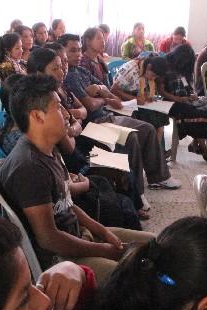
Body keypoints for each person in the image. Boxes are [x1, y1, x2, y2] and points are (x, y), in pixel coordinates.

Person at [0, 74, 153, 282]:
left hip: (79, 235)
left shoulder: (48, 149)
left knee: (152, 244)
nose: (66, 114)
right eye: (58, 107)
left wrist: (103, 232)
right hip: (61, 261)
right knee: (137, 273)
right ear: (37, 116)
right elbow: (48, 238)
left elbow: (66, 202)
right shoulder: (28, 167)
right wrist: (104, 250)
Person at [61, 34, 181, 202]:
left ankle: (159, 178)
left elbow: (107, 89)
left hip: (105, 115)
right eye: (72, 51)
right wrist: (103, 98)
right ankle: (137, 194)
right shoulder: (68, 77)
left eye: (79, 50)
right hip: (92, 125)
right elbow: (89, 105)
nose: (78, 54)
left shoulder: (80, 71)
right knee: (131, 137)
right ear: (62, 53)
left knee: (147, 128)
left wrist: (101, 92)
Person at [160, 44, 207, 161]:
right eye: (183, 60)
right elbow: (162, 91)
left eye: (187, 61)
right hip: (171, 100)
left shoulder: (186, 68)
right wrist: (179, 99)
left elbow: (189, 87)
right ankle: (203, 146)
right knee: (190, 111)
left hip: (186, 99)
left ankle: (195, 142)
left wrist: (193, 95)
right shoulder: (165, 65)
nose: (184, 63)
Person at [111, 55, 170, 143]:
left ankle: (155, 151)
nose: (153, 79)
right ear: (149, 67)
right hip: (124, 102)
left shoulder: (146, 68)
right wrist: (134, 99)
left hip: (138, 100)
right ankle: (149, 149)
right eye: (153, 75)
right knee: (150, 120)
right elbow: (113, 90)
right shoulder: (130, 70)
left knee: (161, 116)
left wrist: (148, 96)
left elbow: (143, 87)